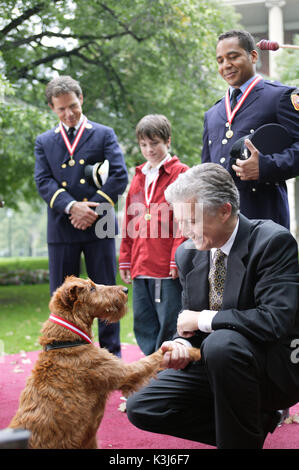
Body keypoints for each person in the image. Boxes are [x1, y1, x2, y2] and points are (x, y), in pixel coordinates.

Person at [126, 163, 299, 449]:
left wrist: (202, 320)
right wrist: (180, 343)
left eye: (191, 221)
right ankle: (251, 425)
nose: (183, 231)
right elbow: (188, 325)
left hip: (271, 368)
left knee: (221, 343)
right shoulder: (187, 254)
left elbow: (274, 321)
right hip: (217, 363)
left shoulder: (272, 241)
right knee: (142, 406)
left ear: (224, 210)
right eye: (179, 221)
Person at [34, 75, 128, 357]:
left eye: (73, 106)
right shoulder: (44, 141)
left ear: (81, 99)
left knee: (107, 293)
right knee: (65, 298)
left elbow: (119, 175)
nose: (69, 113)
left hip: (100, 224)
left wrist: (91, 209)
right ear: (52, 108)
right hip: (63, 225)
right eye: (62, 109)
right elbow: (43, 181)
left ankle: (111, 354)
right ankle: (66, 352)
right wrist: (72, 207)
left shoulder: (103, 134)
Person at [202, 29, 299, 229]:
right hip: (221, 224)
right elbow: (206, 170)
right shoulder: (212, 113)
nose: (226, 65)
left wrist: (265, 166)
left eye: (233, 57)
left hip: (264, 219)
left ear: (253, 56)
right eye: (220, 60)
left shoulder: (280, 97)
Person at [119, 114, 189, 355]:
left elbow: (184, 220)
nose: (149, 149)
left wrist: (176, 258)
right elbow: (129, 219)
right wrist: (125, 258)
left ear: (168, 141)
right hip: (140, 263)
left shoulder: (181, 173)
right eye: (144, 144)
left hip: (165, 264)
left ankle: (169, 370)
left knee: (168, 319)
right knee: (143, 320)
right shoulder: (138, 176)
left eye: (155, 143)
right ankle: (150, 367)